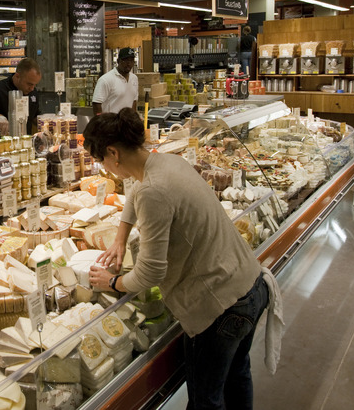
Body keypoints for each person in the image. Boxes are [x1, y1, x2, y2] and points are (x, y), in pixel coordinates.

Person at [85, 108, 272, 410]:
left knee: (206, 401)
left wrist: (113, 282)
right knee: (238, 376)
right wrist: (120, 236)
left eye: (100, 160)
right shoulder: (166, 161)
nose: (103, 168)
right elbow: (136, 191)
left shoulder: (153, 191)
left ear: (112, 153)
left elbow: (150, 273)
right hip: (250, 285)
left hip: (219, 308)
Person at [0, 58, 42, 137]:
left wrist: (46, 123)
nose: (32, 88)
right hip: (2, 143)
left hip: (25, 143)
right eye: (29, 84)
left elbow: (34, 115)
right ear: (17, 76)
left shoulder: (33, 92)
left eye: (35, 85)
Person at [92, 48, 138, 115]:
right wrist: (101, 123)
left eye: (131, 61)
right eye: (125, 60)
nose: (129, 64)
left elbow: (134, 100)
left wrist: (133, 118)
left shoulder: (134, 78)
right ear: (118, 61)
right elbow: (96, 104)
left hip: (127, 122)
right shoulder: (106, 80)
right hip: (111, 123)